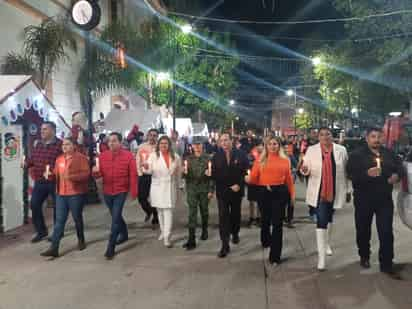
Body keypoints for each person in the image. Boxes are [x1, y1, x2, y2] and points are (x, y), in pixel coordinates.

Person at [347, 127, 403, 279]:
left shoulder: (389, 153)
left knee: (386, 231)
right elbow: (351, 175)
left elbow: (400, 167)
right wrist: (366, 174)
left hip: (384, 199)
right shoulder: (356, 155)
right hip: (364, 198)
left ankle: (387, 263)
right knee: (363, 230)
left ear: (383, 138)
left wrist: (397, 176)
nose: (376, 139)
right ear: (367, 138)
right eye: (373, 136)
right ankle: (364, 255)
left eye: (379, 136)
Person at [300, 127, 349, 271]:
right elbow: (306, 167)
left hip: (335, 190)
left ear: (332, 135)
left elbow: (346, 172)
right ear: (318, 137)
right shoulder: (311, 150)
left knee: (330, 217)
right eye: (321, 134)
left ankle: (327, 243)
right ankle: (321, 258)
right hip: (319, 191)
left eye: (327, 134)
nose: (325, 137)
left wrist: (349, 190)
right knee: (321, 219)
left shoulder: (341, 150)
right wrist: (305, 170)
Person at [245, 135, 295, 267]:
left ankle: (275, 256)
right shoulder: (260, 160)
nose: (273, 146)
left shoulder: (285, 160)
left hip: (280, 193)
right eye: (270, 144)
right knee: (265, 220)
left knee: (278, 224)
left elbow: (289, 179)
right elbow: (254, 178)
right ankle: (265, 240)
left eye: (275, 144)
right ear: (266, 146)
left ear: (279, 146)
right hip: (264, 192)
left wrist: (292, 194)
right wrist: (248, 179)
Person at [40, 138, 90, 258]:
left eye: (67, 144)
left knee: (77, 218)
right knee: (59, 222)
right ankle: (54, 248)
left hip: (75, 194)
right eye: (63, 144)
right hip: (61, 194)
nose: (64, 146)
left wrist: (72, 177)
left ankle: (81, 239)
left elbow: (86, 174)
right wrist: (50, 174)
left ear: (74, 146)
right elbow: (56, 174)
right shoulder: (59, 159)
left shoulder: (81, 158)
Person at [93, 132, 137, 260]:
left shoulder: (128, 156)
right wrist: (95, 174)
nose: (111, 143)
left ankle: (110, 246)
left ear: (120, 142)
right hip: (107, 191)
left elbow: (133, 175)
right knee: (115, 215)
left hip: (121, 191)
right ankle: (124, 234)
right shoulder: (103, 156)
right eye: (109, 141)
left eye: (114, 141)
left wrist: (134, 191)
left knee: (115, 217)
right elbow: (99, 173)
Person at [209, 133, 249, 258]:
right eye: (221, 141)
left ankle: (235, 233)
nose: (224, 143)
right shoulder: (216, 156)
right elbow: (214, 174)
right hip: (222, 191)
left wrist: (239, 184)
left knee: (235, 215)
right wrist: (209, 174)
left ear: (231, 141)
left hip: (236, 190)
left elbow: (246, 172)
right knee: (223, 217)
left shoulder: (241, 154)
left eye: (226, 140)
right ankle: (224, 244)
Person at [23, 122, 62, 243]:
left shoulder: (60, 145)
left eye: (45, 129)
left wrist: (55, 171)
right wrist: (27, 163)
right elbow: (33, 159)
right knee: (34, 204)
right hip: (40, 181)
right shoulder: (38, 144)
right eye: (41, 129)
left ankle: (57, 232)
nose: (42, 131)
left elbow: (65, 163)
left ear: (52, 131)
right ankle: (41, 231)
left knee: (58, 208)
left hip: (55, 181)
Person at [143, 136, 181, 248]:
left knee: (168, 211)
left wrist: (180, 185)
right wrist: (145, 167)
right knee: (160, 211)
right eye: (161, 143)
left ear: (169, 145)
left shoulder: (176, 157)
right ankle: (163, 231)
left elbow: (179, 173)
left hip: (170, 186)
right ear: (158, 145)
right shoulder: (153, 156)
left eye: (166, 143)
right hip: (157, 187)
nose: (163, 145)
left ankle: (167, 237)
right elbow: (149, 170)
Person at [181, 136, 214, 250]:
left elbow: (212, 177)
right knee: (192, 213)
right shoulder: (188, 159)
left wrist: (211, 190)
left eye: (199, 144)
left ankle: (204, 230)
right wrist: (183, 172)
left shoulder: (208, 158)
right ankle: (191, 239)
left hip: (204, 189)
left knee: (204, 211)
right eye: (195, 144)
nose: (197, 146)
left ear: (202, 145)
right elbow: (184, 176)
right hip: (192, 189)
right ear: (192, 146)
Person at [136, 129, 159, 226]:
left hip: (156, 176)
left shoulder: (159, 147)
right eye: (151, 135)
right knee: (141, 198)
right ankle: (149, 211)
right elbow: (138, 160)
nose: (152, 137)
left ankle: (155, 216)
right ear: (147, 136)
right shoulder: (142, 146)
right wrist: (139, 173)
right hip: (144, 176)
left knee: (154, 198)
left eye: (155, 135)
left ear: (157, 137)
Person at [246, 140, 263, 227]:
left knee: (261, 200)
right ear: (255, 147)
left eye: (262, 146)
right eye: (259, 145)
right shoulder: (250, 156)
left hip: (262, 182)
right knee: (252, 201)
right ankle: (252, 218)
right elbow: (247, 167)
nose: (261, 147)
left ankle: (259, 218)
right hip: (252, 181)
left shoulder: (265, 156)